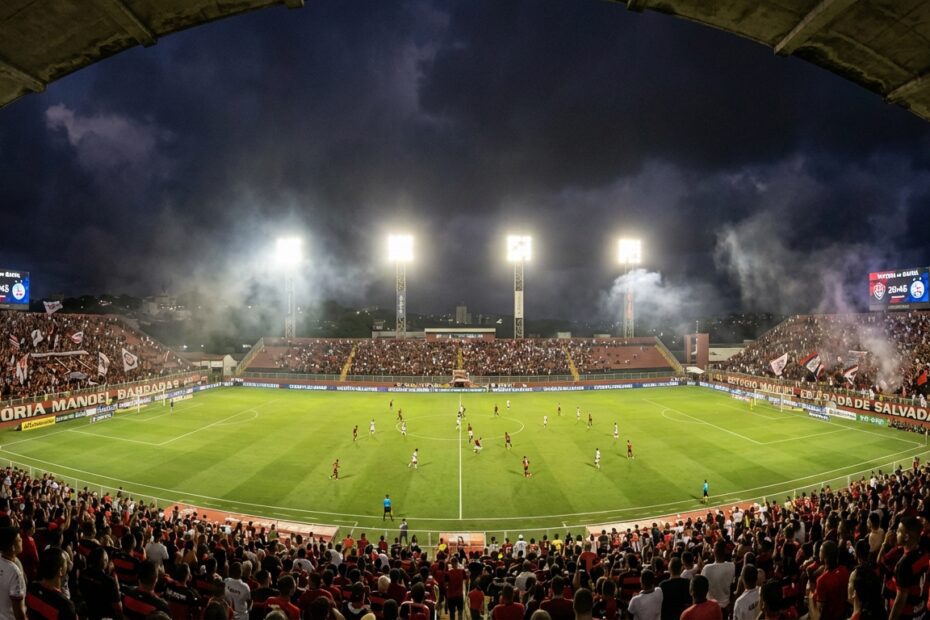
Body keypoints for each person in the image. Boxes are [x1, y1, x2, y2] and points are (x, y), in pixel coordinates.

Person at [26, 547, 76, 620]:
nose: (68, 564)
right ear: (60, 571)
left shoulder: (32, 588)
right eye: (66, 563)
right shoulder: (65, 606)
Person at [701, 540, 735, 614]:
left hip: (711, 608)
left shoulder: (707, 568)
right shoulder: (732, 566)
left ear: (713, 552)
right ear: (725, 551)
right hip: (725, 606)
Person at [0, 526, 26, 620]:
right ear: (13, 547)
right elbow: (18, 612)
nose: (22, 540)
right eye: (19, 540)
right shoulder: (14, 572)